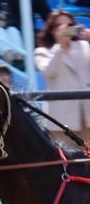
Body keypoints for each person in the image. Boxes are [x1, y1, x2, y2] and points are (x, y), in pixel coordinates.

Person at [34, 9, 90, 141]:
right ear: (51, 29)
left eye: (69, 26)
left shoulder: (84, 46)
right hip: (62, 122)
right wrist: (60, 46)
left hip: (87, 116)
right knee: (68, 161)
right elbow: (48, 72)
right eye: (59, 26)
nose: (65, 29)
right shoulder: (42, 51)